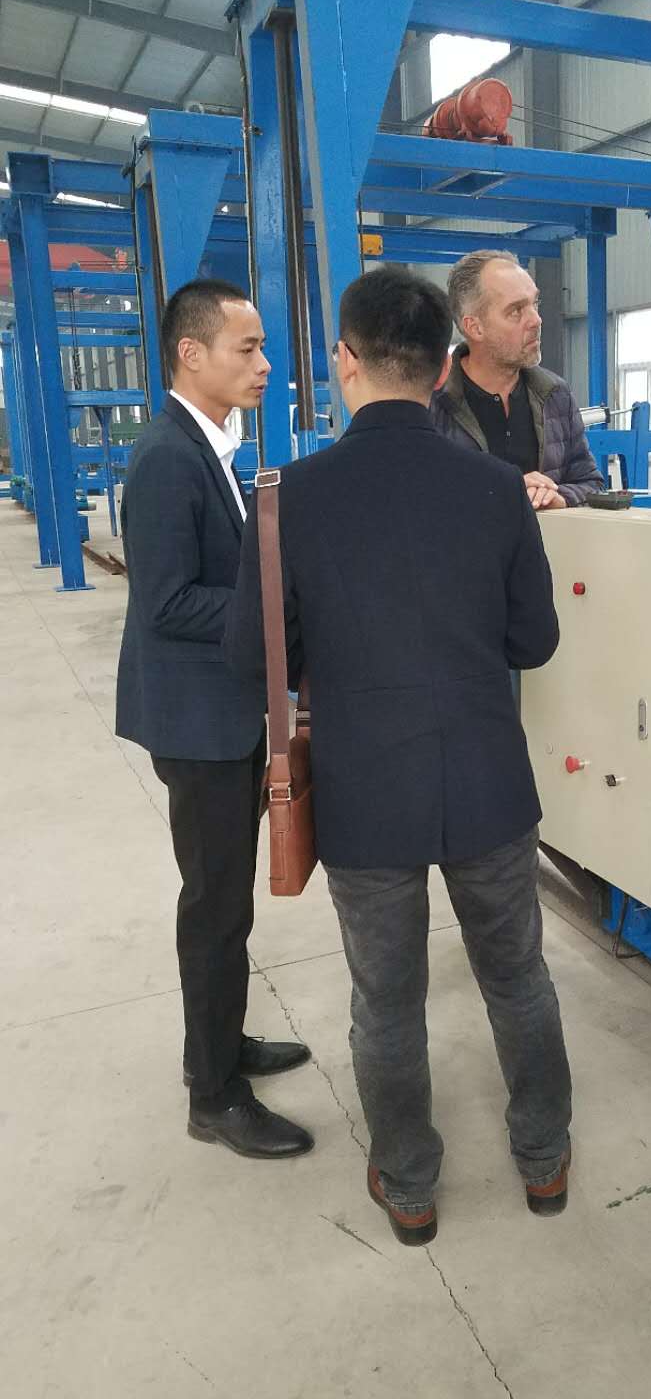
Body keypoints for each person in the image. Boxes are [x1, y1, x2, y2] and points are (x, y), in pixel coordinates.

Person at [225, 266, 572, 1247]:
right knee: (519, 979)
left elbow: (254, 659)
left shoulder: (287, 498)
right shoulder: (498, 491)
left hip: (366, 791)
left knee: (386, 1003)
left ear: (346, 359)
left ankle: (410, 1185)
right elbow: (534, 641)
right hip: (489, 784)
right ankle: (544, 1162)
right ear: (442, 364)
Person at [115, 279, 313, 1160]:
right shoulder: (168, 456)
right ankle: (214, 1094)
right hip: (198, 726)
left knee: (226, 904)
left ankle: (223, 1044)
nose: (264, 364)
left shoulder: (211, 447)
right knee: (215, 907)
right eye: (247, 348)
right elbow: (164, 602)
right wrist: (274, 610)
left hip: (220, 713)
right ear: (191, 354)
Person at [430, 248, 605, 510]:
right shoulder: (431, 404)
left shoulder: (555, 395)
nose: (536, 320)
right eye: (515, 311)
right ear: (474, 327)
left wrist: (560, 497)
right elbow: (415, 499)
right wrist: (504, 491)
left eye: (535, 304)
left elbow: (591, 484)